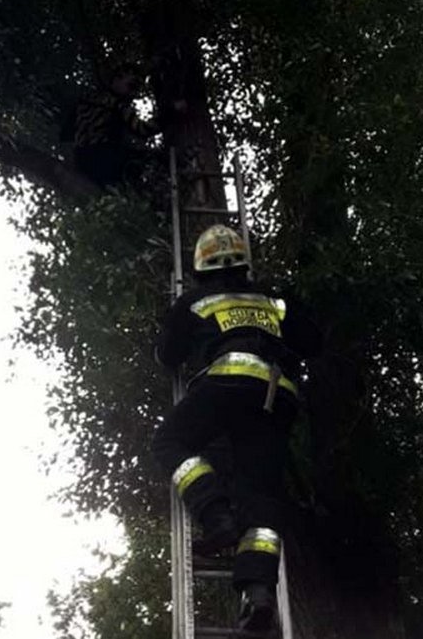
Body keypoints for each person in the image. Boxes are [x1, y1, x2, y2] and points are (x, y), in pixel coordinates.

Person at [152, 224, 322, 633]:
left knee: (170, 442)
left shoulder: (196, 300)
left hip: (227, 385)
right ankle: (258, 593)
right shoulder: (274, 301)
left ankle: (216, 515)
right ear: (244, 263)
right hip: (275, 397)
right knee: (261, 497)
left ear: (200, 268)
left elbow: (168, 356)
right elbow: (313, 342)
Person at [72, 62, 176, 191]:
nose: (133, 94)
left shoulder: (88, 98)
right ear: (117, 79)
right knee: (151, 160)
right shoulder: (116, 103)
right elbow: (142, 129)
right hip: (102, 156)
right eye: (132, 86)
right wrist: (170, 112)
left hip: (81, 159)